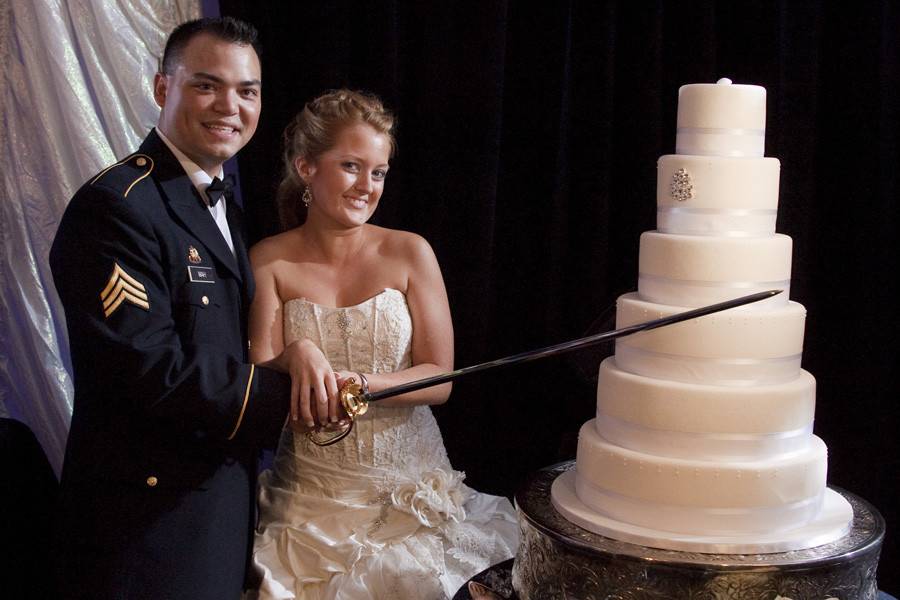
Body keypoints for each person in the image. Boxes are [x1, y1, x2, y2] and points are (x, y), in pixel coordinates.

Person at [50, 17, 327, 599]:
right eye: (207, 85)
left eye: (247, 91)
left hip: (219, 501)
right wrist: (296, 396)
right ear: (161, 89)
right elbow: (150, 371)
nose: (230, 105)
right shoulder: (116, 208)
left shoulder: (220, 201)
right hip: (149, 522)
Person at [247, 89, 519, 599]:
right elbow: (258, 371)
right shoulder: (268, 260)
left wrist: (363, 384)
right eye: (351, 166)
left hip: (411, 497)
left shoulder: (409, 251)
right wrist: (298, 353)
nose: (367, 186)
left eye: (378, 172)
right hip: (310, 504)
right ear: (306, 167)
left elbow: (441, 376)